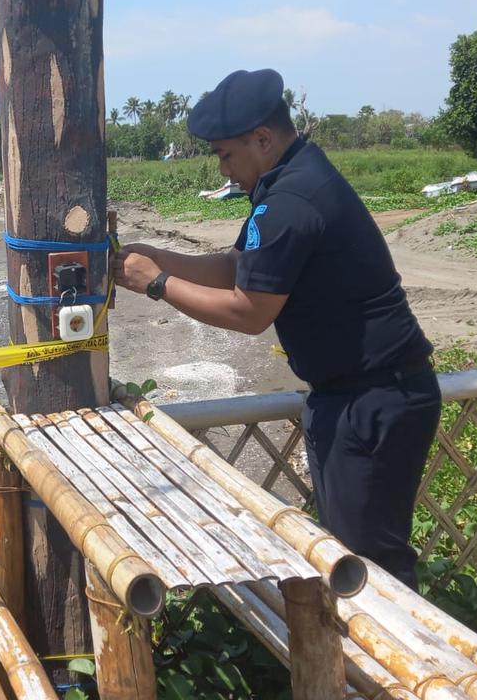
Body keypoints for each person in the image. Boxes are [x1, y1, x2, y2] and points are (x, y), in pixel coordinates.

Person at [111, 69, 441, 588]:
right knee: (351, 554)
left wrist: (157, 284)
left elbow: (249, 311)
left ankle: (408, 666)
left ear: (262, 139)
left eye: (225, 155)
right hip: (357, 395)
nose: (224, 169)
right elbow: (240, 266)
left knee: (372, 568)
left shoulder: (291, 200)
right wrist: (160, 258)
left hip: (374, 399)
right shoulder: (290, 180)